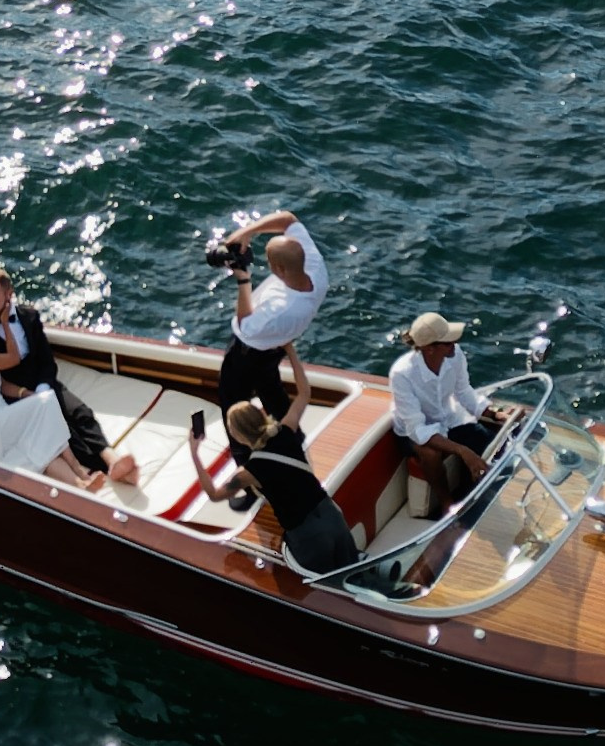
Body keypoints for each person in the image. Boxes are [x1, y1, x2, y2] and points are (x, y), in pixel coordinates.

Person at [186, 351, 358, 576]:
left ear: (237, 436)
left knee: (326, 589)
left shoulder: (248, 473)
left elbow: (214, 495)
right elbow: (304, 392)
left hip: (308, 534)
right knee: (353, 573)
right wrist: (291, 351)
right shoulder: (287, 429)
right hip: (332, 515)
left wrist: (195, 452)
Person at [0, 265, 138, 487]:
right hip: (19, 395)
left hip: (44, 382)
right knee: (64, 429)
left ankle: (111, 458)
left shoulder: (29, 317)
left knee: (80, 412)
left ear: (9, 294)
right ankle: (107, 469)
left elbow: (46, 359)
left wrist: (44, 386)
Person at [210, 209, 328, 504]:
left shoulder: (283, 310)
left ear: (280, 270)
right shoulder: (315, 267)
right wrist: (247, 232)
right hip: (275, 347)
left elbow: (243, 325)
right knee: (271, 390)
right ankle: (293, 440)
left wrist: (243, 280)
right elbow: (289, 219)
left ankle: (248, 479)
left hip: (250, 349)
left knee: (233, 408)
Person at [0, 295, 100, 486]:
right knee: (47, 400)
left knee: (38, 445)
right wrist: (5, 323)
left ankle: (80, 484)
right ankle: (77, 466)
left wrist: (26, 394)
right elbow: (14, 358)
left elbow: (1, 384)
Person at [389, 313, 499, 512]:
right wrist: (462, 450)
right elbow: (417, 430)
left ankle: (479, 489)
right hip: (412, 432)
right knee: (429, 453)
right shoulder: (401, 374)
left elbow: (464, 391)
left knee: (487, 440)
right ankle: (448, 506)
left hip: (448, 418)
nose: (454, 345)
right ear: (429, 349)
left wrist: (493, 413)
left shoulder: (455, 355)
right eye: (448, 343)